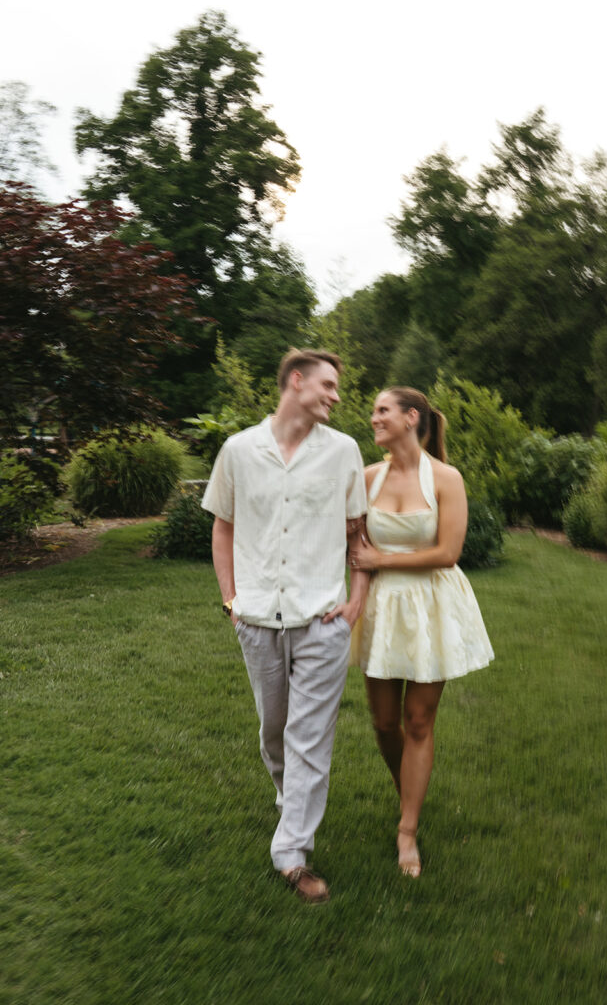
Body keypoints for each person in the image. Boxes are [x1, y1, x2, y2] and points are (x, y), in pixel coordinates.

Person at [202, 348, 368, 904]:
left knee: (309, 738)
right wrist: (231, 599)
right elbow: (223, 529)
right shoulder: (238, 451)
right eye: (327, 385)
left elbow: (357, 535)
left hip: (322, 619)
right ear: (295, 382)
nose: (336, 396)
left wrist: (356, 601)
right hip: (256, 618)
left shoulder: (343, 452)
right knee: (274, 729)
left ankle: (292, 854)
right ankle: (288, 796)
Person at [349, 386, 493, 877]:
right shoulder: (367, 478)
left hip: (433, 605)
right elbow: (354, 549)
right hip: (382, 610)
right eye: (374, 411)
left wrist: (380, 558)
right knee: (384, 722)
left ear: (412, 417)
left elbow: (449, 552)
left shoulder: (447, 479)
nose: (373, 418)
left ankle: (406, 829)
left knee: (417, 721)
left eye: (382, 410)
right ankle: (409, 789)